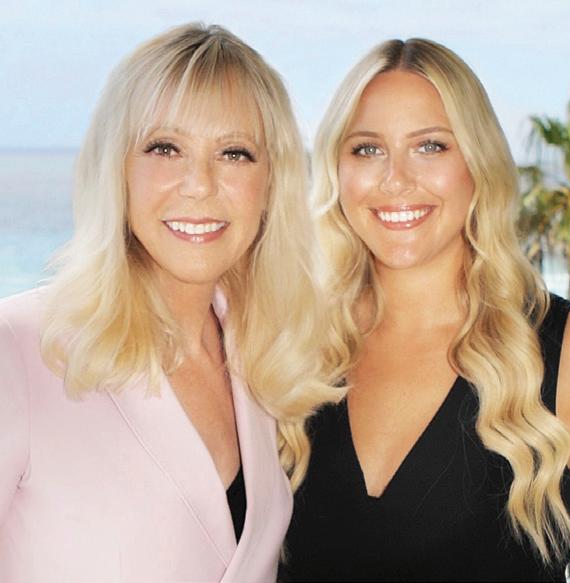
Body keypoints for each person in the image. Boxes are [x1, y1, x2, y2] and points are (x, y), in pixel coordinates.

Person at [0, 23, 337, 583]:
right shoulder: (16, 350)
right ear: (118, 168)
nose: (199, 184)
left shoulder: (263, 359)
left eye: (234, 153)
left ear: (270, 184)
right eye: (165, 148)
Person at [281, 38, 570, 581]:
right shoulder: (288, 347)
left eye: (430, 146)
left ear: (478, 161)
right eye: (367, 149)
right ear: (336, 169)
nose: (396, 179)